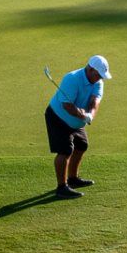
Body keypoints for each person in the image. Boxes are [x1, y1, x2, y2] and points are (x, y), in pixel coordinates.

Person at [46, 55, 111, 198]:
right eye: (99, 74)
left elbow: (95, 100)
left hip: (76, 121)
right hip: (58, 117)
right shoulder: (72, 79)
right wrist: (81, 115)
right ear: (91, 69)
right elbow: (67, 105)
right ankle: (61, 187)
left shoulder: (97, 81)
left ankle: (73, 179)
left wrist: (90, 115)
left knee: (82, 145)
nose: (100, 78)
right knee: (65, 150)